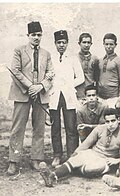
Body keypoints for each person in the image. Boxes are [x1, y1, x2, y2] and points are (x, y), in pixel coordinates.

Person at [7, 21, 54, 175]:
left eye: (39, 35)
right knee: (18, 128)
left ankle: (36, 158)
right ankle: (14, 161)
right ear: (28, 36)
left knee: (39, 128)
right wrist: (30, 87)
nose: (36, 37)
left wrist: (40, 86)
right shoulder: (19, 51)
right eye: (33, 35)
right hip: (22, 94)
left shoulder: (46, 54)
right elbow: (15, 71)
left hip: (40, 94)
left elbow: (50, 73)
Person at [40, 108, 120, 187]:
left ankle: (66, 169)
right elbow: (85, 144)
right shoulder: (100, 129)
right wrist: (74, 156)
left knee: (92, 169)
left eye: (113, 121)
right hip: (93, 153)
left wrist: (117, 160)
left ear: (118, 120)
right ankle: (52, 176)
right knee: (77, 158)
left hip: (106, 159)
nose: (110, 124)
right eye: (107, 122)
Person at [49, 30, 84, 167]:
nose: (61, 45)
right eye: (59, 43)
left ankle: (71, 154)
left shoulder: (73, 58)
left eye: (64, 42)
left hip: (69, 95)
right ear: (55, 43)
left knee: (71, 127)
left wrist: (70, 85)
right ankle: (57, 155)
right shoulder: (51, 58)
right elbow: (48, 76)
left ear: (67, 43)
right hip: (54, 95)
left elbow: (80, 77)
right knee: (55, 127)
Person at [97, 33, 120, 116]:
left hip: (113, 97)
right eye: (106, 44)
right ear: (103, 44)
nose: (108, 46)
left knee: (114, 119)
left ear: (115, 45)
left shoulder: (119, 61)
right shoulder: (100, 60)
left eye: (111, 44)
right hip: (101, 96)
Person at [76, 33, 99, 103]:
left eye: (88, 42)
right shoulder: (75, 58)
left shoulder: (94, 59)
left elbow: (97, 79)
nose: (86, 45)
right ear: (79, 43)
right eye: (84, 42)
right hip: (78, 93)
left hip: (90, 93)